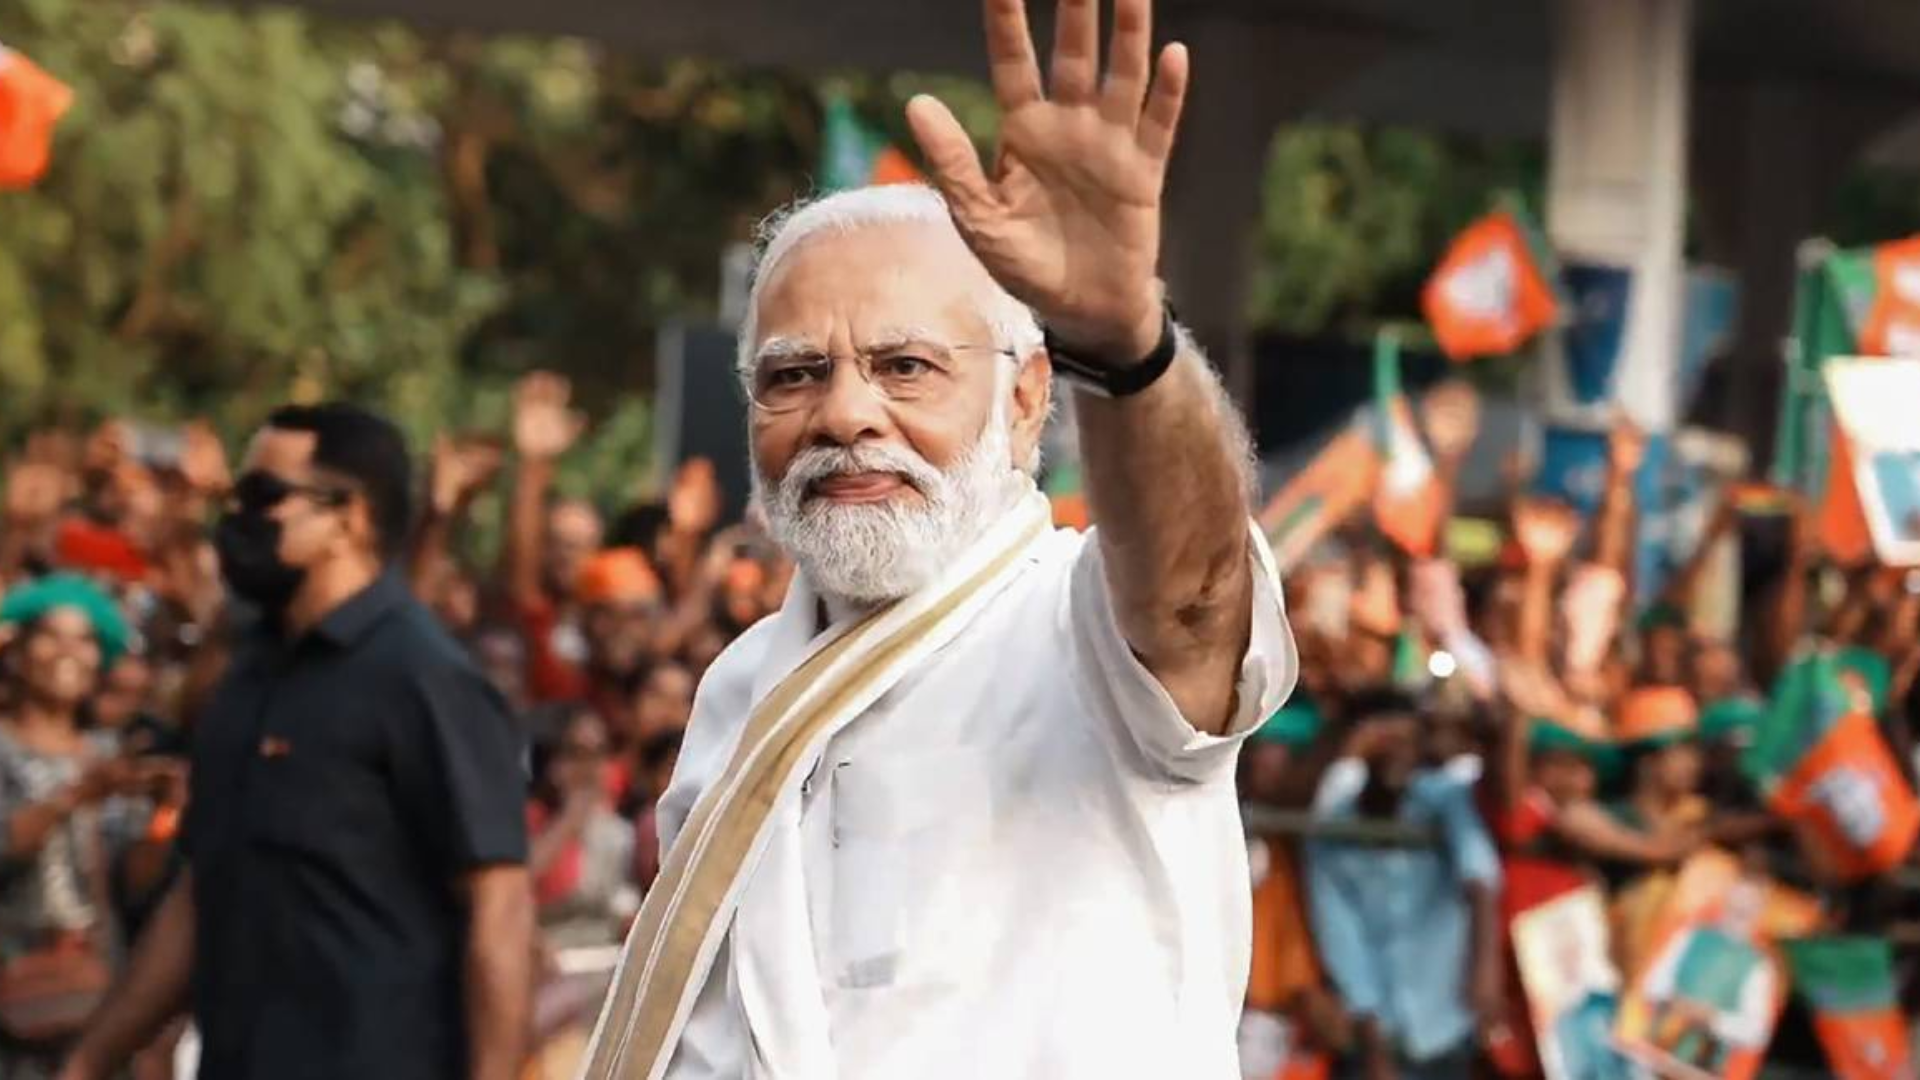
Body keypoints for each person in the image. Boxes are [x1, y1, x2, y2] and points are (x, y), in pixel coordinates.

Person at [577, 1, 1296, 1075]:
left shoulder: (1080, 626)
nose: (844, 414)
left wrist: (1124, 343)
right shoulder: (742, 686)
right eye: (793, 374)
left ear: (1024, 400)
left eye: (906, 366)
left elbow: (1193, 599)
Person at [60, 403, 533, 1080]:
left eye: (263, 497)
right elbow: (202, 891)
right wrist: (89, 1060)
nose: (240, 517)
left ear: (351, 517)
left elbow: (500, 909)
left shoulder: (424, 678)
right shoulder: (248, 673)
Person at [1305, 687, 1503, 1080]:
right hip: (1380, 1029)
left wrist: (1485, 968)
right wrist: (1374, 1043)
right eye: (1385, 742)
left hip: (1447, 1018)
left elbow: (1480, 874)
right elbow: (1343, 939)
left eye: (1407, 740)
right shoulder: (1334, 821)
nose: (1397, 752)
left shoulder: (1445, 797)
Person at [0, 575, 149, 1080]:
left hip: (95, 995)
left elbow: (137, 886)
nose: (69, 651)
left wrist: (169, 817)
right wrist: (74, 797)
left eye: (85, 638)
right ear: (18, 651)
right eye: (51, 634)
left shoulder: (112, 756)